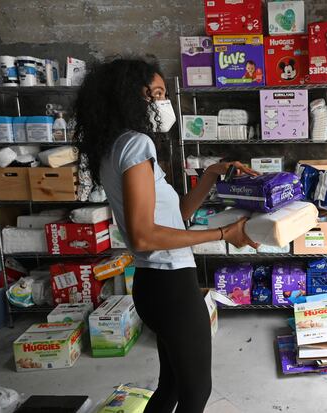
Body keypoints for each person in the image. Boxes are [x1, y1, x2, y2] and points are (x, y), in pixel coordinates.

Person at [74, 58, 258, 413]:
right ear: (132, 96)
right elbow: (144, 236)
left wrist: (210, 176)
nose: (163, 101)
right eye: (156, 93)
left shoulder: (114, 147)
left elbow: (176, 219)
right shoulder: (137, 145)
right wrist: (223, 233)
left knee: (171, 387)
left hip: (154, 285)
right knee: (195, 393)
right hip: (171, 287)